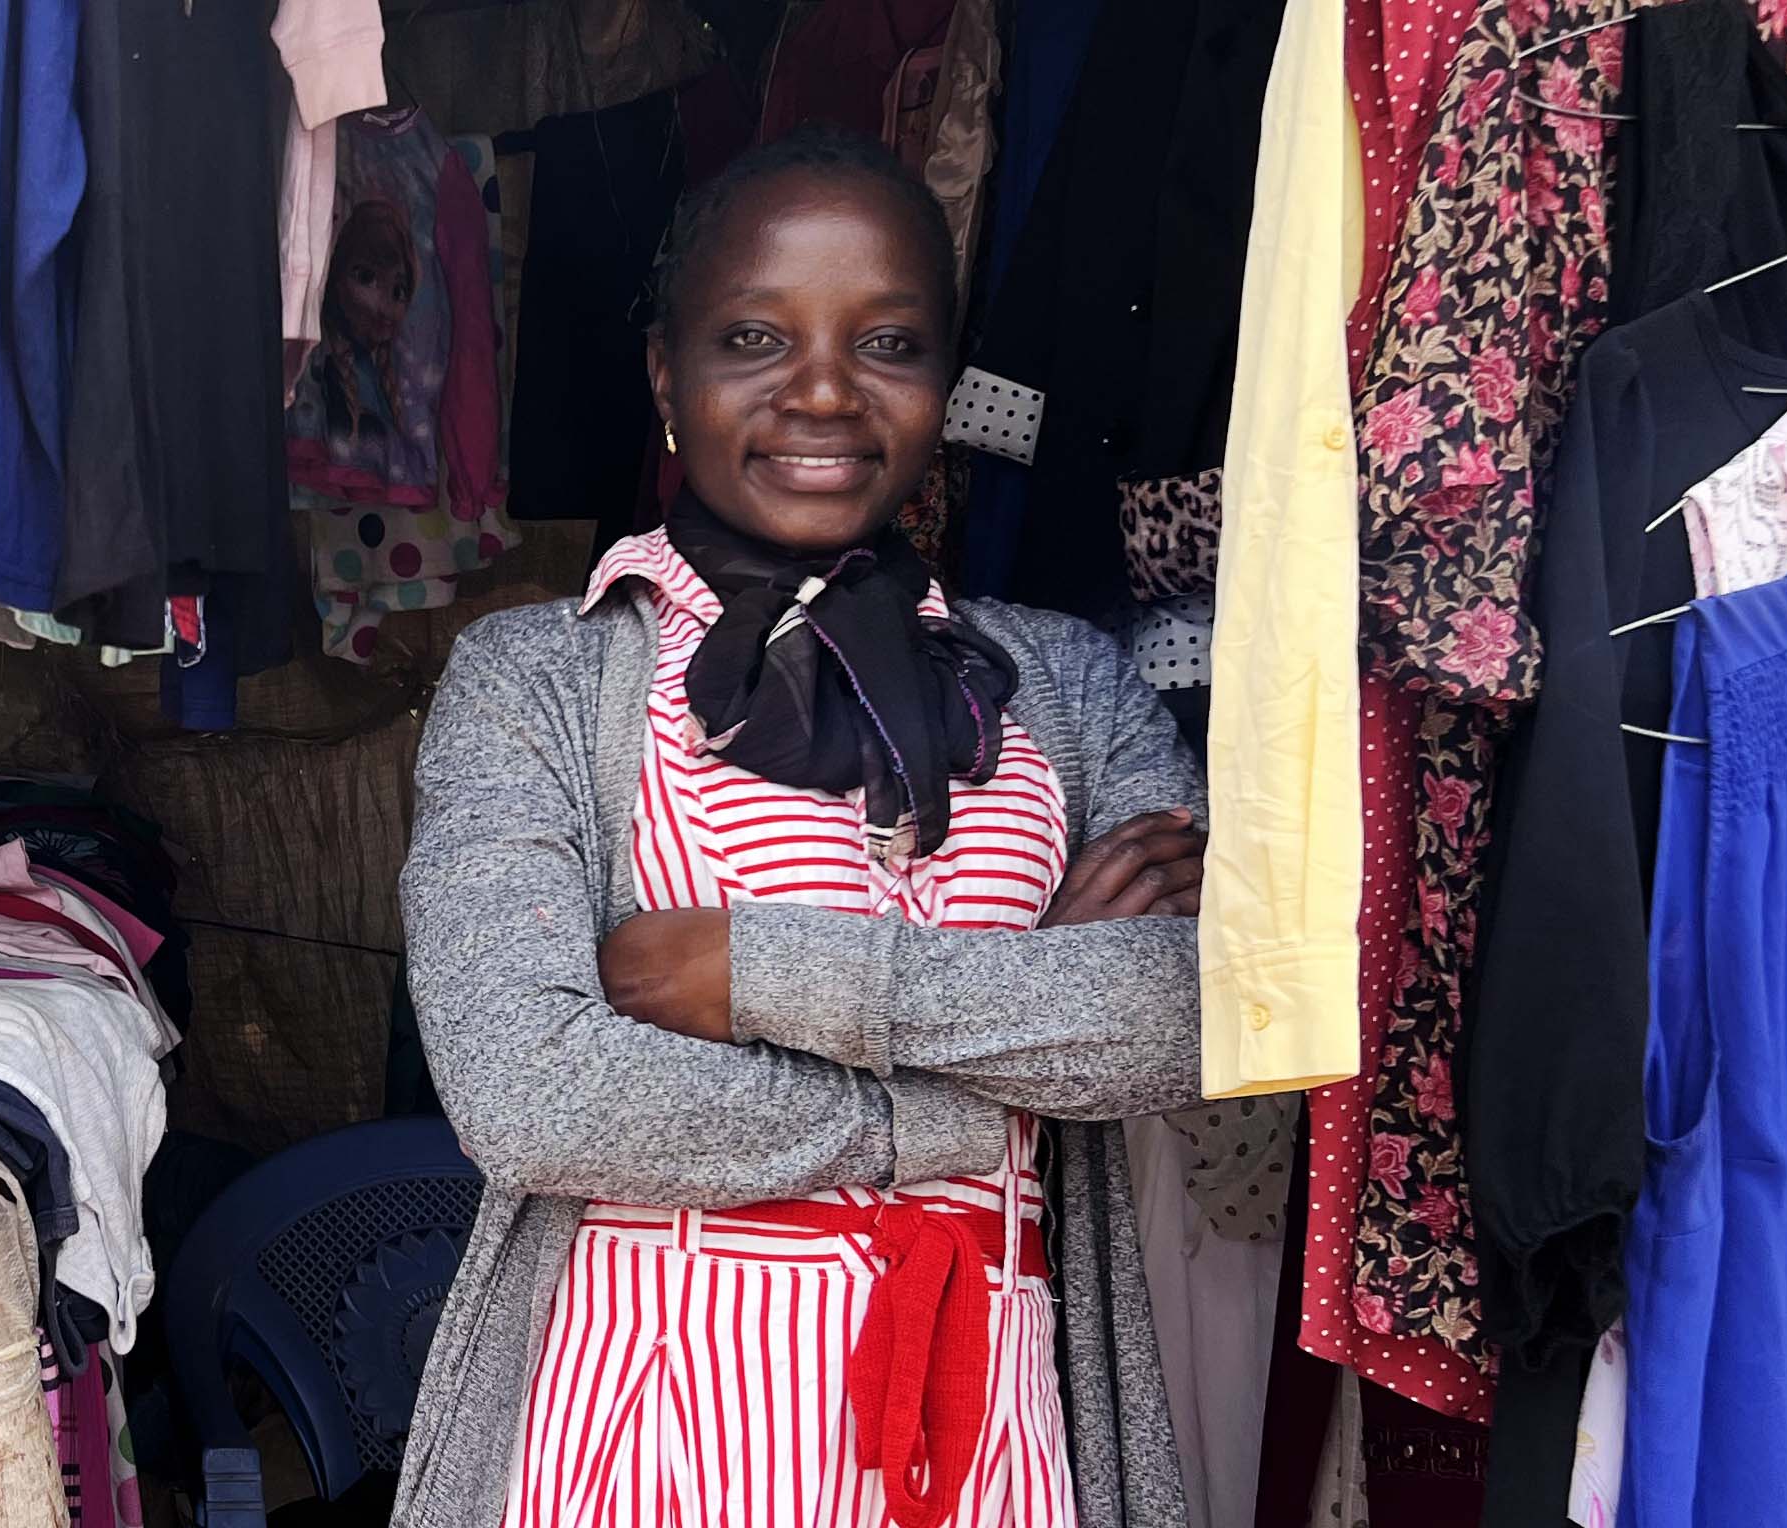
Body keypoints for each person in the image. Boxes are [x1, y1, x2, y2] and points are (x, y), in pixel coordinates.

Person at [399, 125, 1207, 1528]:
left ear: (945, 382)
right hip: (640, 1442)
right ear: (668, 373)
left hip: (994, 1446)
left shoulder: (1065, 682)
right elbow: (533, 1094)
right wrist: (975, 1096)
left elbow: (1184, 1012)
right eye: (756, 340)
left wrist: (750, 973)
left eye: (887, 344)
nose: (823, 394)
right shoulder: (540, 678)